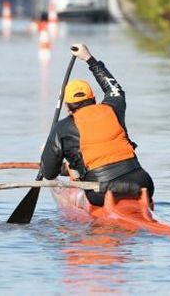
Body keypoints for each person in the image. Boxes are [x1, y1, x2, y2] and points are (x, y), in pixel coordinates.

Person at [40, 44, 154, 206]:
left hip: (100, 192)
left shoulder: (62, 128)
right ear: (94, 99)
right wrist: (89, 58)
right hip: (142, 183)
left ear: (67, 106)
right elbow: (114, 88)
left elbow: (49, 173)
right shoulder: (113, 107)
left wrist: (48, 156)